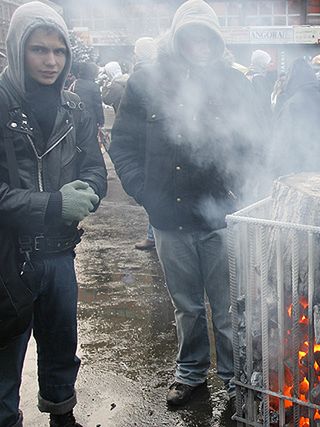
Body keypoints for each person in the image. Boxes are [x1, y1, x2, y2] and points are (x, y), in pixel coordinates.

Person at [108, 0, 262, 408]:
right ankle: (191, 373)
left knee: (228, 309)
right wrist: (147, 194)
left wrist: (242, 195)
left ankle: (232, 379)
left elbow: (255, 147)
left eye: (206, 35)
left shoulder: (236, 83)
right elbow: (121, 145)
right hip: (169, 217)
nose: (199, 44)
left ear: (217, 40)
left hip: (222, 219)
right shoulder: (146, 81)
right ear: (176, 38)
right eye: (190, 35)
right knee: (187, 306)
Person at [0, 2, 107, 427]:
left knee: (62, 344)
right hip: (8, 256)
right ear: (17, 48)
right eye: (39, 50)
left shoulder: (75, 106)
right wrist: (53, 204)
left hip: (60, 253)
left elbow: (95, 167)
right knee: (5, 350)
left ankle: (63, 417)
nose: (50, 61)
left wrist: (91, 192)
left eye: (59, 51)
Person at [270, 58, 320, 178]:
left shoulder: (291, 105)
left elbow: (281, 143)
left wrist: (274, 171)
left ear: (292, 80)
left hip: (299, 174)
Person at [131, 37, 158, 251]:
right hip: (149, 142)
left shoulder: (143, 75)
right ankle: (153, 234)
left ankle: (153, 234)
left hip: (148, 143)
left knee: (154, 192)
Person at [70, 62, 104, 133]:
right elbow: (98, 105)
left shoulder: (75, 83)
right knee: (89, 139)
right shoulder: (94, 86)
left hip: (76, 116)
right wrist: (101, 121)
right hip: (90, 118)